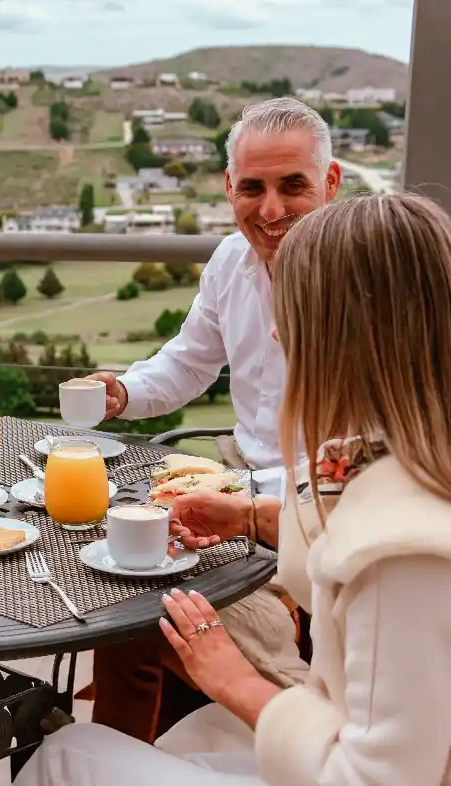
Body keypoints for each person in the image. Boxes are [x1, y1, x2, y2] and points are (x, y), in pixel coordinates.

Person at [16, 192, 451, 785]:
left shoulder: (401, 553)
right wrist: (253, 518)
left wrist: (231, 677)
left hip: (353, 759)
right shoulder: (401, 449)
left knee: (69, 751)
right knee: (190, 734)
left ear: (347, 333)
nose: (275, 331)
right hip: (342, 720)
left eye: (295, 311)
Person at [74, 96, 343, 741]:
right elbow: (189, 362)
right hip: (237, 484)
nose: (271, 211)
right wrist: (123, 392)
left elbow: (366, 466)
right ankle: (130, 751)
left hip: (321, 508)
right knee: (118, 564)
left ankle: (302, 726)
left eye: (293, 186)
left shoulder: (362, 282)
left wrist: (248, 511)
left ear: (331, 182)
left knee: (145, 596)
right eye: (252, 188)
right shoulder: (230, 261)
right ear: (229, 187)